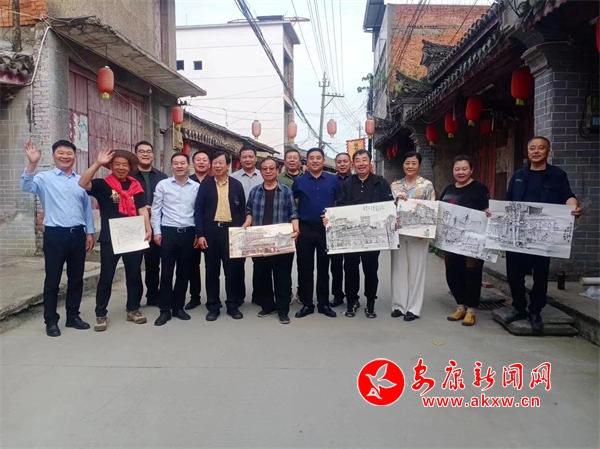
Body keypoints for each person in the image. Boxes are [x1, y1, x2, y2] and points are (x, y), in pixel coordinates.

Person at [503, 136, 582, 332]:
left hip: (542, 236)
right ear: (528, 152)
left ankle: (535, 311)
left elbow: (568, 196)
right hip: (517, 235)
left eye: (541, 148)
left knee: (540, 275)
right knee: (514, 274)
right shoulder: (518, 176)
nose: (536, 151)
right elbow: (507, 201)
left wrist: (574, 207)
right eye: (532, 148)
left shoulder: (557, 175)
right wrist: (495, 212)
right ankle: (519, 307)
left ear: (548, 152)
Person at [20, 140, 95, 337]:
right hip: (55, 235)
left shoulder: (81, 181)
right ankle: (51, 321)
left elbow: (86, 209)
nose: (65, 156)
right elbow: (25, 185)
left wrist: (89, 232)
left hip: (77, 235)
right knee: (52, 280)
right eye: (61, 153)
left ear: (74, 156)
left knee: (76, 279)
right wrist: (32, 163)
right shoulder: (44, 178)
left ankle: (73, 316)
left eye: (69, 153)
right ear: (54, 155)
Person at [79, 149, 152, 331]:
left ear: (130, 168)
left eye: (124, 165)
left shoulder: (136, 186)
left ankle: (133, 309)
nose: (121, 167)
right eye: (117, 164)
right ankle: (101, 313)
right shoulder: (103, 185)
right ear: (111, 166)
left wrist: (148, 228)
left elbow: (142, 209)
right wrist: (98, 163)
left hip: (133, 236)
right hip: (111, 238)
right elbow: (82, 183)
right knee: (106, 276)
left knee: (134, 275)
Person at [331, 150, 394, 318]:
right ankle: (351, 302)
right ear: (353, 164)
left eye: (364, 160)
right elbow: (340, 206)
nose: (361, 164)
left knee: (371, 270)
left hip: (372, 236)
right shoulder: (347, 184)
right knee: (350, 269)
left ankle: (370, 304)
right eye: (357, 161)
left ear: (370, 163)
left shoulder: (380, 182)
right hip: (352, 235)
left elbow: (388, 206)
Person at [244, 157, 299, 324]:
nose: (268, 171)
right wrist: (248, 220)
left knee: (282, 277)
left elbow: (293, 212)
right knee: (263, 276)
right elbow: (248, 209)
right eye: (265, 169)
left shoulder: (286, 191)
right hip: (260, 242)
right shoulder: (255, 191)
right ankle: (268, 306)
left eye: (271, 168)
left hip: (281, 241)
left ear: (277, 171)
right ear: (261, 171)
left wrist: (296, 229)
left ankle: (283, 310)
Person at [195, 152, 246, 321]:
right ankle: (213, 306)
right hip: (211, 232)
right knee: (212, 271)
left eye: (220, 163)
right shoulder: (206, 185)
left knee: (232, 271)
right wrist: (200, 234)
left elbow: (242, 210)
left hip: (231, 232)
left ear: (228, 166)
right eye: (215, 163)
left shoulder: (237, 185)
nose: (217, 166)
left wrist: (240, 233)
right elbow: (198, 210)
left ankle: (232, 305)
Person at [440, 155, 490, 327]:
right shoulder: (448, 189)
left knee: (472, 274)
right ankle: (460, 306)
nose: (460, 172)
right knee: (453, 272)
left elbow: (486, 210)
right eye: (457, 169)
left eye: (464, 169)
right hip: (452, 241)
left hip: (472, 242)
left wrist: (488, 212)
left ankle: (471, 310)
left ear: (471, 170)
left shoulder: (479, 189)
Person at [152, 153, 199, 326]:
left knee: (183, 272)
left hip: (188, 233)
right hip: (168, 233)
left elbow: (199, 212)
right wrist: (157, 232)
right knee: (166, 273)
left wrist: (198, 233)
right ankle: (165, 310)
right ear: (171, 166)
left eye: (182, 163)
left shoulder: (196, 187)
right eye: (176, 163)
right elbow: (156, 209)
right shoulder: (163, 185)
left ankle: (178, 307)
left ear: (188, 166)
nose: (179, 166)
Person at [292, 148, 340, 318]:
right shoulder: (299, 181)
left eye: (318, 158)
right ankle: (307, 304)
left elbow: (339, 203)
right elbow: (294, 204)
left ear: (323, 161)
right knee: (305, 268)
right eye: (311, 158)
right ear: (307, 161)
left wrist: (333, 218)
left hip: (326, 230)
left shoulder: (333, 180)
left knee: (324, 268)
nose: (314, 161)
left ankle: (323, 303)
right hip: (305, 229)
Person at [390, 151, 436, 322]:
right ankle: (398, 305)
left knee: (417, 270)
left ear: (419, 165)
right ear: (403, 165)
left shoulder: (427, 185)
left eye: (414, 163)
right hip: (399, 233)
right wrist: (396, 201)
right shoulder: (395, 186)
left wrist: (427, 231)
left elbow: (431, 208)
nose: (410, 166)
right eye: (407, 163)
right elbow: (388, 208)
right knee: (398, 268)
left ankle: (413, 308)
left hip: (419, 234)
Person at [131, 141, 167, 307]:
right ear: (136, 155)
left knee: (153, 263)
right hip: (134, 224)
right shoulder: (129, 176)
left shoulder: (162, 177)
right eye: (141, 151)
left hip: (155, 224)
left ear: (153, 155)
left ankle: (153, 295)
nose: (145, 154)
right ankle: (135, 298)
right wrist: (139, 208)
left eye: (148, 151)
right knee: (134, 264)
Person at [231, 145, 264, 306]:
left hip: (260, 224)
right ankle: (238, 296)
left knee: (260, 262)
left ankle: (259, 295)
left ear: (256, 158)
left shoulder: (264, 175)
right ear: (240, 159)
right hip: (239, 225)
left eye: (251, 156)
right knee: (237, 263)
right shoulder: (233, 178)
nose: (248, 159)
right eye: (244, 157)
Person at [185, 150, 212, 311]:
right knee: (192, 265)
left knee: (211, 266)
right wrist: (196, 232)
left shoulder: (214, 181)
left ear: (209, 164)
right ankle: (194, 297)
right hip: (191, 229)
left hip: (210, 230)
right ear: (193, 163)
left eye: (204, 160)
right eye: (198, 160)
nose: (201, 162)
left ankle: (212, 299)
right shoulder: (187, 182)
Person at [277, 148, 303, 303]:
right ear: (285, 161)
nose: (292, 160)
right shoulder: (278, 178)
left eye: (295, 158)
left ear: (300, 161)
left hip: (304, 225)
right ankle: (285, 294)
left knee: (304, 262)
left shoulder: (306, 178)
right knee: (284, 263)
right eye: (289, 158)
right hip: (284, 225)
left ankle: (302, 292)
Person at [329, 152, 352, 308]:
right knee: (335, 265)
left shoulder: (356, 180)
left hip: (352, 227)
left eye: (345, 161)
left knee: (351, 265)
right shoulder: (331, 181)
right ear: (336, 164)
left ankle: (352, 295)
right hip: (335, 227)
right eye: (339, 162)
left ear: (350, 163)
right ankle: (337, 295)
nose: (342, 164)